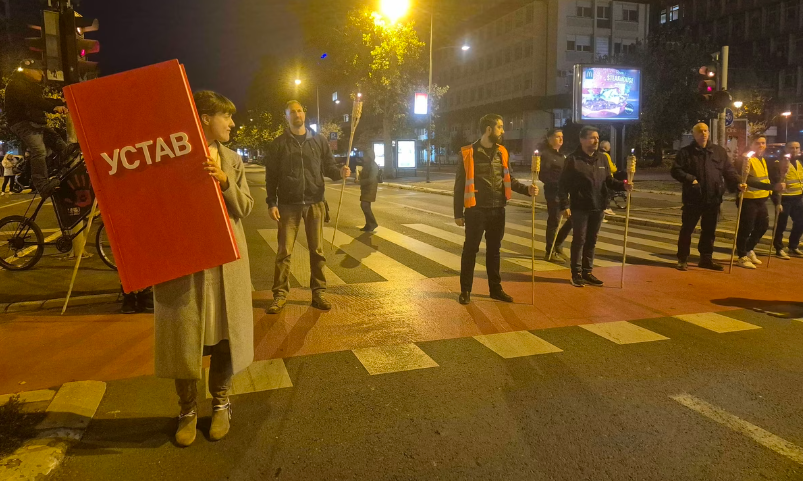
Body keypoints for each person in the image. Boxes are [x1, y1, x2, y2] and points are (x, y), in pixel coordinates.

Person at [153, 90, 254, 447]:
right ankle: (187, 410)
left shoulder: (232, 158)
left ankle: (222, 402)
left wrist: (224, 182)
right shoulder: (169, 153)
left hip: (225, 263)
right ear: (205, 117)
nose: (232, 123)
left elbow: (245, 206)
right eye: (226, 116)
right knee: (186, 337)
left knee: (225, 334)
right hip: (186, 261)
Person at [264, 100, 350, 313]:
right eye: (292, 112)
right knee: (284, 251)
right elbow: (271, 177)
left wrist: (340, 172)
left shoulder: (319, 141)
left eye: (299, 110)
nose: (297, 114)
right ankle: (280, 294)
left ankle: (318, 292)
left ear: (304, 113)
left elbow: (328, 166)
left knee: (317, 251)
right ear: (287, 117)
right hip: (287, 204)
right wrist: (271, 203)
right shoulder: (279, 144)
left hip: (315, 202)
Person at [453, 114, 538, 305]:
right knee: (470, 251)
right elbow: (459, 185)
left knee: (494, 251)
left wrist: (527, 190)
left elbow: (509, 179)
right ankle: (466, 290)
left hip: (498, 209)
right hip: (475, 210)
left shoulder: (502, 153)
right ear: (489, 130)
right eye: (500, 127)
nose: (503, 131)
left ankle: (495, 289)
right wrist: (458, 213)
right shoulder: (468, 153)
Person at [558, 126, 631, 287]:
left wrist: (623, 185)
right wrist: (565, 205)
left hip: (598, 205)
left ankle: (587, 271)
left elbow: (608, 181)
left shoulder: (603, 158)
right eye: (592, 137)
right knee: (580, 239)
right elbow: (563, 185)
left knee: (592, 240)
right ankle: (576, 273)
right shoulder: (573, 159)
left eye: (597, 137)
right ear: (582, 140)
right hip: (580, 206)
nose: (596, 140)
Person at [671, 123, 745, 271]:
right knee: (687, 229)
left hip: (713, 198)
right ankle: (682, 258)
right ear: (694, 134)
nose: (703, 133)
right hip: (693, 198)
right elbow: (676, 170)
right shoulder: (686, 152)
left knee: (709, 230)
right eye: (700, 131)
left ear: (709, 133)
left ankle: (706, 258)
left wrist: (738, 183)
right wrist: (690, 178)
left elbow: (728, 170)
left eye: (705, 131)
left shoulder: (718, 152)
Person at [4, 59, 78, 198]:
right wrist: (53, 107)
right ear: (26, 71)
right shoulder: (17, 85)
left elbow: (40, 100)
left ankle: (65, 155)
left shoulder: (29, 86)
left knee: (55, 138)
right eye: (37, 70)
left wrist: (59, 102)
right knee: (38, 150)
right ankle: (42, 185)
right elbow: (32, 100)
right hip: (23, 123)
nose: (41, 73)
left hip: (36, 122)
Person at [734, 136, 783, 269]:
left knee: (763, 226)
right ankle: (742, 256)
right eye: (757, 143)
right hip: (748, 200)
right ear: (751, 144)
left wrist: (776, 199)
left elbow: (765, 179)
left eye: (763, 143)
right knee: (746, 228)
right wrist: (772, 187)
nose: (761, 145)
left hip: (761, 200)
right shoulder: (745, 159)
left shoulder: (762, 159)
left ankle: (749, 249)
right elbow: (748, 180)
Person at [539, 128, 572, 262]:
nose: (561, 139)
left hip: (565, 192)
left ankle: (557, 243)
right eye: (557, 136)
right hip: (554, 193)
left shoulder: (562, 156)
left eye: (562, 136)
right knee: (555, 221)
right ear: (550, 139)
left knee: (572, 218)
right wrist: (557, 185)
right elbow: (543, 175)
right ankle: (550, 250)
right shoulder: (546, 155)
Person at [770, 142, 803, 258]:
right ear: (786, 149)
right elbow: (774, 184)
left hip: (798, 198)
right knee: (781, 225)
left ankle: (793, 246)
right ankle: (779, 248)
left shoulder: (799, 162)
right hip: (784, 199)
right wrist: (776, 201)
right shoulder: (779, 164)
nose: (794, 150)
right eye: (791, 148)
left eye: (797, 148)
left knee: (800, 222)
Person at [359, 147, 379, 232]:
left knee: (364, 206)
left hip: (370, 188)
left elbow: (371, 179)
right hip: (366, 188)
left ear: (369, 157)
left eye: (365, 156)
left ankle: (373, 223)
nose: (364, 158)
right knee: (365, 206)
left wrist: (360, 181)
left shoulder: (373, 166)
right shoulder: (367, 165)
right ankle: (368, 225)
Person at [599, 140, 616, 216]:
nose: (610, 147)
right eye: (609, 146)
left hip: (600, 177)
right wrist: (615, 168)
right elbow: (610, 167)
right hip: (607, 177)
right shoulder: (606, 155)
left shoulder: (598, 154)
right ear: (606, 147)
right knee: (609, 193)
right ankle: (606, 208)